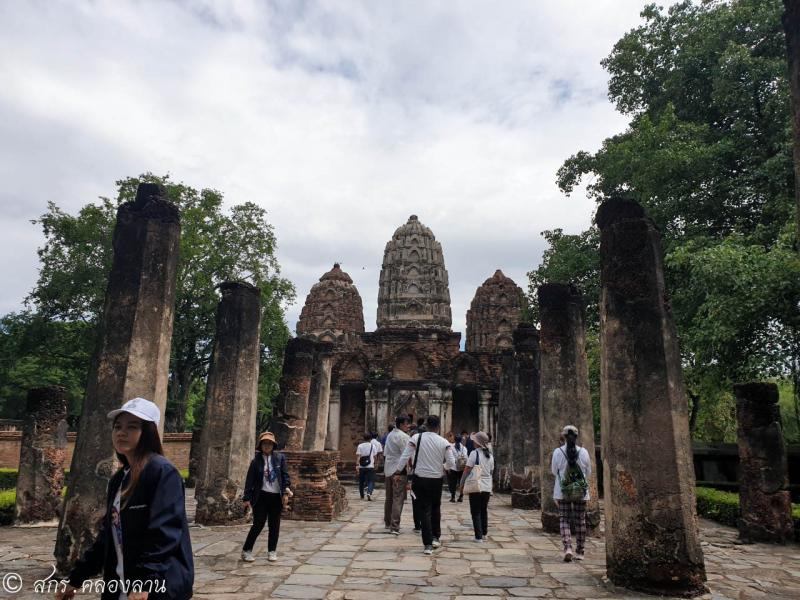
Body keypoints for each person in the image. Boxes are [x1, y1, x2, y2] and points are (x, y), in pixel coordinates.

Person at [57, 397, 193, 600]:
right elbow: (107, 537)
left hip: (155, 587)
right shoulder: (119, 479)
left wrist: (145, 581)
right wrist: (76, 579)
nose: (122, 432)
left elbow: (164, 533)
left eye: (132, 427)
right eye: (117, 426)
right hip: (120, 585)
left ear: (147, 433)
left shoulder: (162, 472)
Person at [396, 415, 455, 555]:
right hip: (436, 479)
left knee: (424, 510)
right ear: (438, 427)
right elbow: (452, 463)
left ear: (426, 425)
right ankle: (436, 537)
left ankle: (427, 544)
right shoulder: (444, 442)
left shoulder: (416, 438)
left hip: (420, 478)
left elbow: (405, 456)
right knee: (435, 507)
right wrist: (443, 467)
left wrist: (398, 471)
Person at [241, 431, 292, 563]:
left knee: (274, 525)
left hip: (276, 496)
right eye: (264, 443)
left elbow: (285, 476)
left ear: (273, 445)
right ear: (261, 445)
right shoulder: (256, 461)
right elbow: (249, 481)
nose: (267, 446)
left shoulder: (280, 458)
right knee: (258, 524)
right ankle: (246, 550)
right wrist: (246, 498)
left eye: (269, 443)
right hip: (261, 496)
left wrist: (286, 491)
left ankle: (272, 551)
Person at [551, 424, 592, 562]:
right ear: (576, 436)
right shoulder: (584, 452)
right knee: (580, 520)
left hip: (563, 491)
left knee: (564, 519)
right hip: (581, 491)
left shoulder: (558, 452)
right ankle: (580, 551)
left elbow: (553, 471)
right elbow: (588, 472)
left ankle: (568, 547)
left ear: (563, 436)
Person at [459, 431, 495, 542]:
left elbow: (467, 469)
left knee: (475, 511)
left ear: (477, 443)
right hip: (487, 486)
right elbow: (491, 471)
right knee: (483, 510)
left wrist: (462, 483)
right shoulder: (490, 455)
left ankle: (478, 536)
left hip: (476, 485)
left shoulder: (475, 453)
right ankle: (484, 533)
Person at [383, 416, 411, 535]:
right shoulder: (404, 437)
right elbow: (406, 455)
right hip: (399, 470)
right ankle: (395, 526)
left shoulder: (390, 435)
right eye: (406, 424)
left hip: (388, 469)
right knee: (398, 499)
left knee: (389, 498)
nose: (408, 426)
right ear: (400, 424)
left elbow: (385, 453)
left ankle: (388, 522)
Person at [445, 432, 467, 502]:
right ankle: (461, 496)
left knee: (452, 483)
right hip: (462, 467)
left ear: (454, 439)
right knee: (461, 482)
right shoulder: (464, 448)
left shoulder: (450, 447)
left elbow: (449, 458)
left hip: (453, 467)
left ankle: (453, 497)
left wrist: (447, 467)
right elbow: (466, 457)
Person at [356, 433, 377, 500]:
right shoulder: (373, 446)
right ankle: (369, 492)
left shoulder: (360, 446)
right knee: (371, 480)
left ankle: (362, 495)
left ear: (363, 438)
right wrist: (375, 463)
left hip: (361, 466)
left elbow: (358, 456)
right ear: (370, 439)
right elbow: (375, 456)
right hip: (370, 466)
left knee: (361, 481)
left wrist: (357, 465)